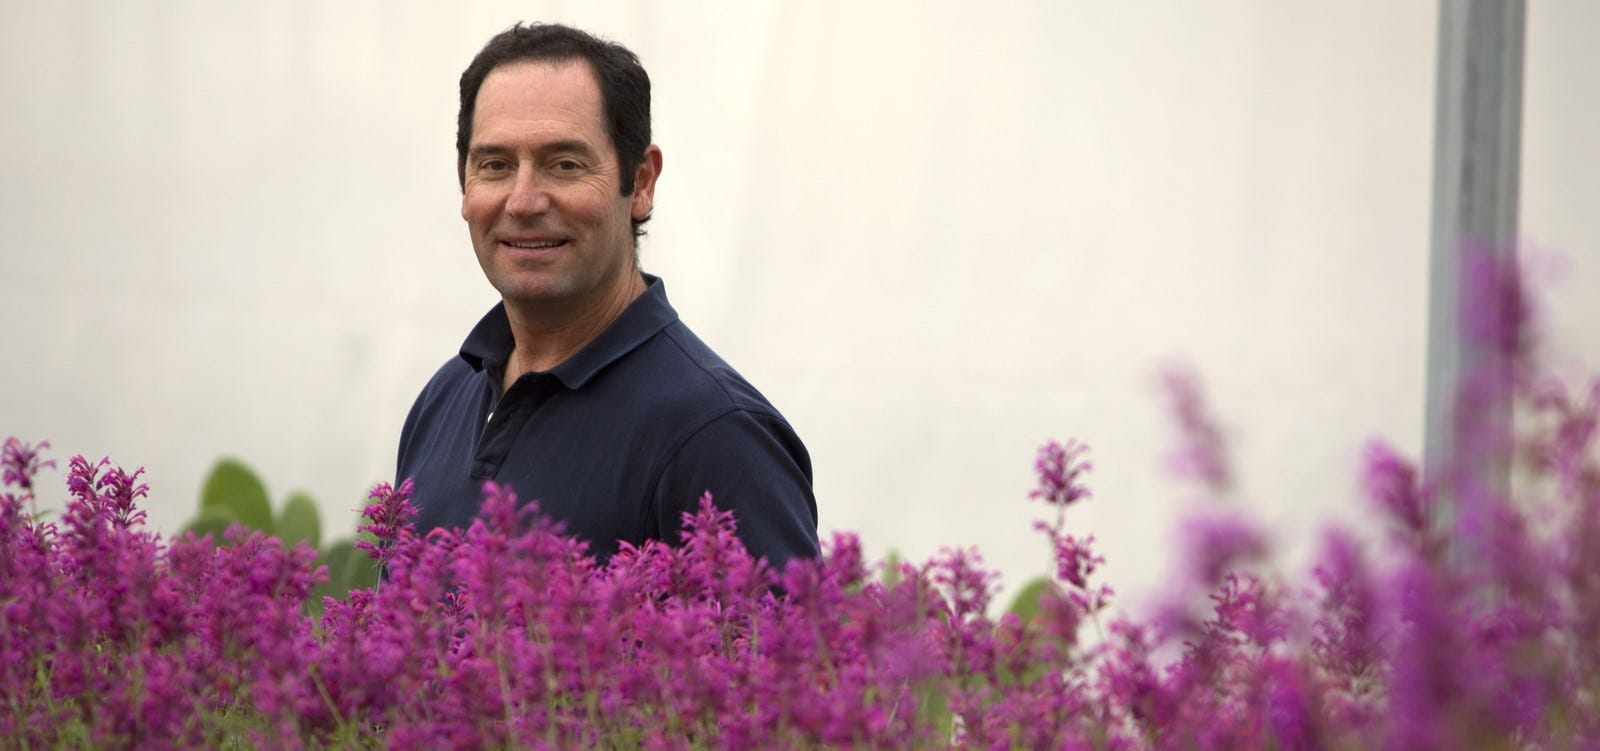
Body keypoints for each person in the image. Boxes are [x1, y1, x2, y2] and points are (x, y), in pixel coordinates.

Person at [396, 23, 819, 569]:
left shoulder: (716, 437)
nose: (523, 201)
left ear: (640, 182)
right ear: (465, 183)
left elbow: (783, 654)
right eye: (495, 165)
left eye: (565, 164)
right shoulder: (445, 399)